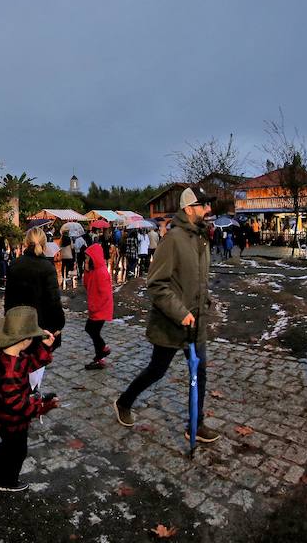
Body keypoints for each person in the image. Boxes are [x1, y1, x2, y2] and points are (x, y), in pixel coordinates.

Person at [113, 187, 220, 445]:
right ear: (188, 208)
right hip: (172, 322)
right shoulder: (173, 240)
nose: (208, 210)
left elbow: (198, 279)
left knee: (201, 372)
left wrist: (205, 301)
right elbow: (156, 284)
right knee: (157, 370)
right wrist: (180, 312)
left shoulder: (201, 239)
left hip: (197, 322)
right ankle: (123, 402)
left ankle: (196, 423)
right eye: (203, 205)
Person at [0, 306, 58, 492]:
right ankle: (7, 482)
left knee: (8, 446)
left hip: (6, 417)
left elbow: (32, 363)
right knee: (17, 451)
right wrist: (41, 406)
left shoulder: (9, 355)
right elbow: (16, 404)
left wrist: (45, 346)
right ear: (25, 341)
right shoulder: (11, 368)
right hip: (12, 419)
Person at [4, 227, 66, 341]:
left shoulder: (15, 264)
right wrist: (58, 324)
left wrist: (9, 320)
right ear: (44, 244)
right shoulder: (47, 267)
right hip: (42, 326)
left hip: (19, 324)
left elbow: (9, 298)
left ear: (26, 243)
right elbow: (54, 300)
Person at [82, 243, 113, 370]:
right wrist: (86, 270)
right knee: (92, 330)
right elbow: (86, 285)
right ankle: (100, 356)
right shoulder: (94, 270)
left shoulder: (101, 272)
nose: (85, 260)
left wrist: (95, 307)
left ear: (93, 257)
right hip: (95, 308)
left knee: (91, 329)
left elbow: (105, 295)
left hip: (100, 309)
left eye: (87, 257)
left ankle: (102, 351)